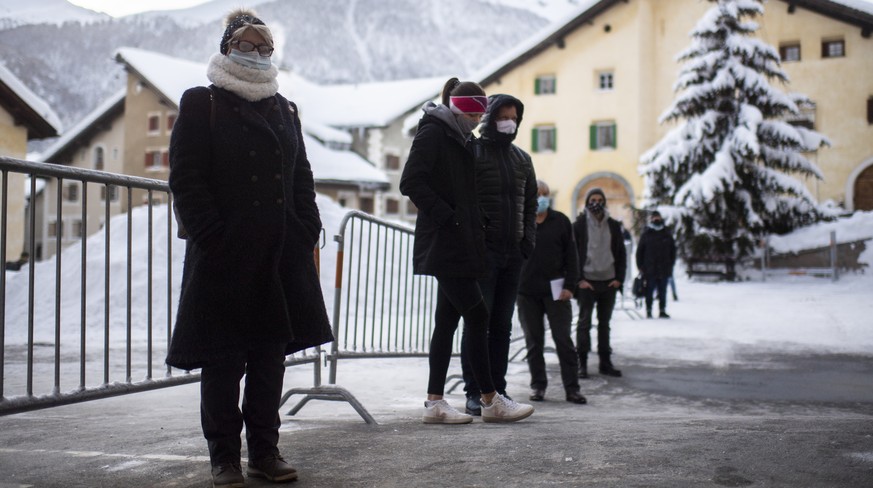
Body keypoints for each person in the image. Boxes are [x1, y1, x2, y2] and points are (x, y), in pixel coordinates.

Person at [166, 10, 334, 487]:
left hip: (279, 255)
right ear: (226, 47)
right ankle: (223, 457)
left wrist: (306, 228)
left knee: (268, 359)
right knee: (223, 360)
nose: (255, 52)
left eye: (264, 46)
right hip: (224, 255)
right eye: (245, 43)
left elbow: (301, 176)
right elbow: (187, 178)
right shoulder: (202, 102)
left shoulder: (285, 108)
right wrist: (212, 236)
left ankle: (265, 450)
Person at [400, 78, 534, 425]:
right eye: (475, 115)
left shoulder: (459, 137)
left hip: (460, 241)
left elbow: (464, 191)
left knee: (446, 322)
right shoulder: (433, 133)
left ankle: (435, 403)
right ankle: (490, 399)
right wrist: (452, 219)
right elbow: (411, 182)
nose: (478, 122)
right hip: (446, 242)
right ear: (463, 111)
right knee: (478, 318)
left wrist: (478, 220)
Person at [459, 93, 538, 416]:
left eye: (515, 118)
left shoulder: (522, 159)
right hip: (482, 254)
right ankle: (475, 391)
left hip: (513, 254)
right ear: (490, 116)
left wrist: (526, 242)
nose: (510, 123)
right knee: (478, 323)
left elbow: (530, 205)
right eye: (504, 116)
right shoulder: (472, 152)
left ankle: (499, 390)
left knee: (503, 325)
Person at [517, 180, 586, 404]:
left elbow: (572, 257)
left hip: (556, 290)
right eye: (537, 194)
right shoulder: (521, 221)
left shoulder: (561, 221)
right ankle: (538, 385)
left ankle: (572, 388)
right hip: (526, 291)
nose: (541, 198)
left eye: (545, 194)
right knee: (533, 341)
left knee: (563, 340)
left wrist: (570, 286)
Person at [573, 188, 627, 378]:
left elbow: (621, 253)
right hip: (587, 282)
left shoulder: (613, 225)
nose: (596, 202)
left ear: (605, 202)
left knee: (605, 324)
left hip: (608, 282)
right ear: (587, 202)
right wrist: (579, 280)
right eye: (593, 199)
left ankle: (605, 362)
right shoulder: (579, 225)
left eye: (600, 199)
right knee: (584, 324)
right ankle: (582, 364)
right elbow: (572, 255)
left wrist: (619, 278)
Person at [636, 210, 677, 319]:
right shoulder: (646, 234)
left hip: (664, 268)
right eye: (654, 218)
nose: (656, 219)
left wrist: (670, 265)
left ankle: (662, 310)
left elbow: (673, 251)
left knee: (662, 291)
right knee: (649, 291)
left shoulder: (666, 233)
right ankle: (648, 310)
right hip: (649, 269)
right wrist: (640, 267)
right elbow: (640, 252)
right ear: (651, 219)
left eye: (658, 217)